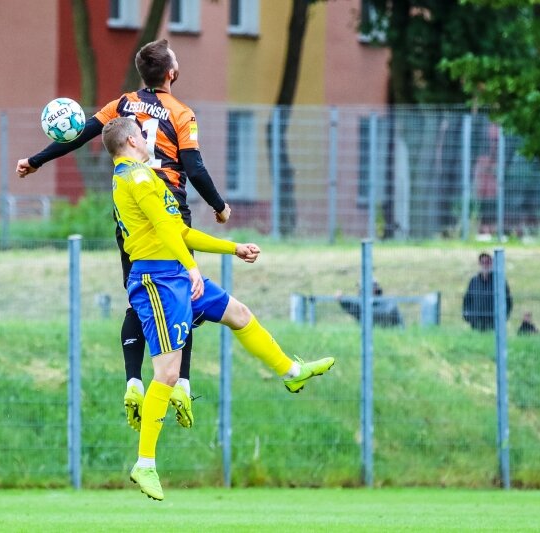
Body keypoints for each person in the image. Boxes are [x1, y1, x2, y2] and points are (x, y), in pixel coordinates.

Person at [101, 116, 335, 501]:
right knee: (168, 373)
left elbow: (180, 232)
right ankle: (144, 463)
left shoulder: (141, 177)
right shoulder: (137, 179)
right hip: (157, 280)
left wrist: (233, 248)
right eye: (142, 134)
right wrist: (191, 267)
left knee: (238, 314)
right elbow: (166, 230)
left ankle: (291, 372)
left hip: (175, 272)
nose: (147, 138)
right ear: (129, 141)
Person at [17, 39, 231, 432]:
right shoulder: (181, 113)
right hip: (166, 205)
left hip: (129, 209)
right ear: (171, 73)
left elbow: (81, 133)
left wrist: (36, 160)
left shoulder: (122, 104)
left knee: (139, 296)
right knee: (182, 293)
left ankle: (134, 380)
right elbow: (195, 168)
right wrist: (219, 206)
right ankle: (181, 384)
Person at [462, 252, 512, 331]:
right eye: (483, 262)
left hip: (494, 324)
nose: (485, 265)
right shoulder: (474, 281)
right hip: (476, 324)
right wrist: (468, 316)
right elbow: (467, 300)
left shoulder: (499, 282)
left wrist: (503, 318)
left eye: (488, 262)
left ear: (492, 263)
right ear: (479, 264)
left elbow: (508, 301)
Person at [335, 280, 404, 328]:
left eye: (363, 289)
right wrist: (342, 299)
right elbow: (352, 307)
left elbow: (380, 314)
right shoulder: (362, 305)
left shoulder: (388, 304)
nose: (360, 291)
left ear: (374, 289)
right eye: (360, 289)